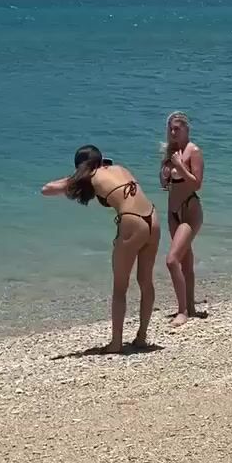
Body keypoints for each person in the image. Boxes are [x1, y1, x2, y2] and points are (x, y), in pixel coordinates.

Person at [41, 146, 159, 353]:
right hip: (153, 219)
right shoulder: (120, 169)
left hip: (132, 221)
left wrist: (75, 177)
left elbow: (47, 189)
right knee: (145, 281)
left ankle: (116, 343)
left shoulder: (91, 176)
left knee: (120, 287)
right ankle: (141, 337)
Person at [160, 112, 204, 326]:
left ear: (187, 129)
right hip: (173, 212)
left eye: (177, 128)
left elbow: (197, 184)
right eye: (171, 128)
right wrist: (166, 170)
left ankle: (182, 311)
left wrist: (179, 166)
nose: (173, 132)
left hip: (190, 210)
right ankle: (191, 307)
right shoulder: (170, 152)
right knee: (185, 260)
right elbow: (164, 185)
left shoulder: (193, 151)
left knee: (172, 260)